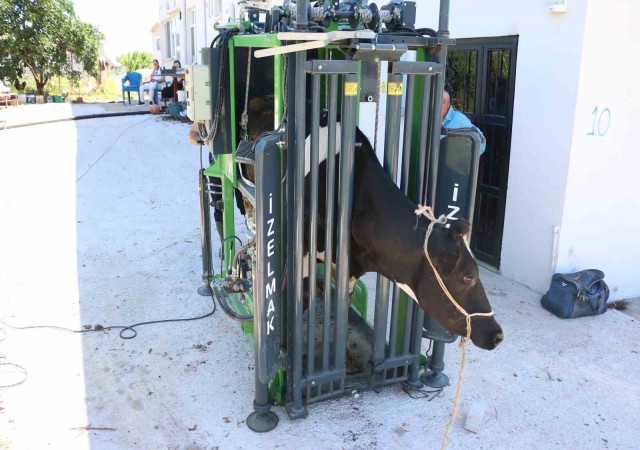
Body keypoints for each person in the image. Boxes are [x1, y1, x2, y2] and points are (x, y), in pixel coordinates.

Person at [441, 90, 486, 155]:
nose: (437, 106)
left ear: (448, 104)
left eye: (442, 103)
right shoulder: (430, 118)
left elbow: (481, 142)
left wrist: (463, 154)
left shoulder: (460, 120)